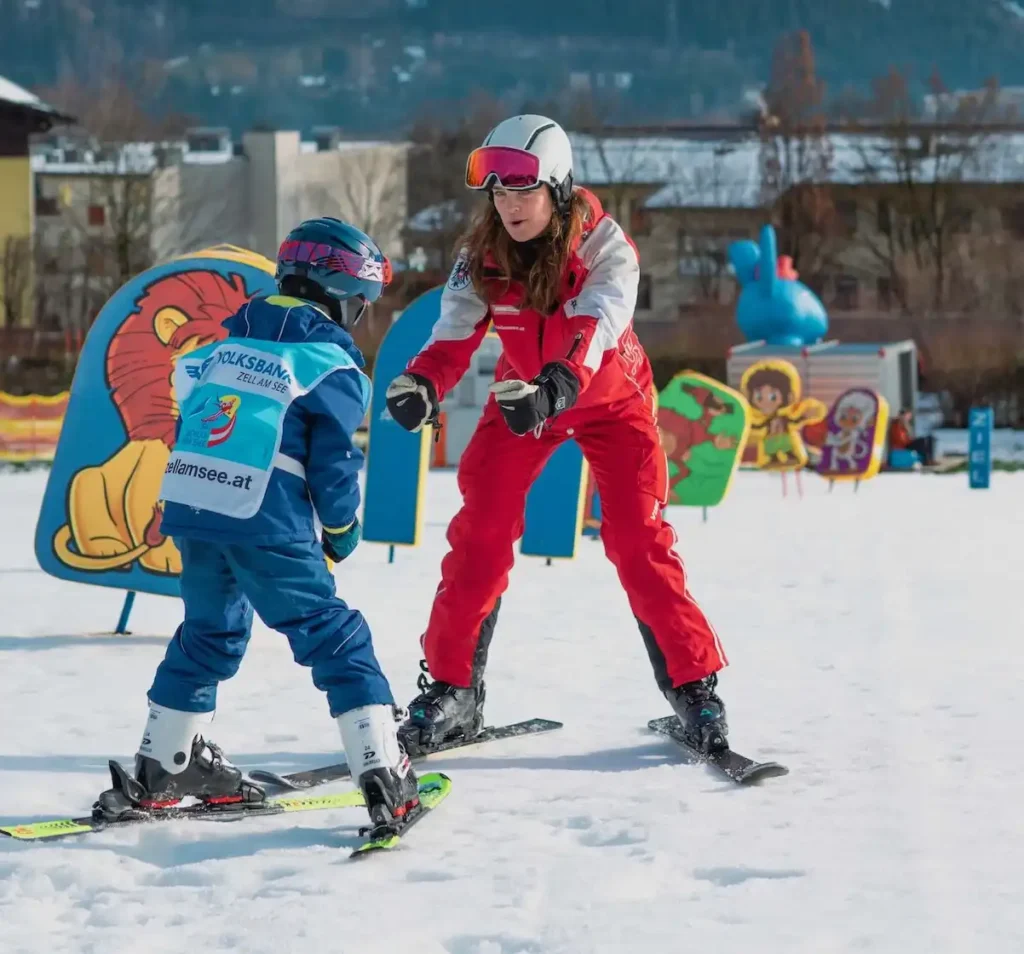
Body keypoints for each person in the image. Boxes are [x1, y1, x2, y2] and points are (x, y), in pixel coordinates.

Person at [384, 114, 730, 756]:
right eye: (499, 192)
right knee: (481, 529)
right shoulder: (479, 258)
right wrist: (422, 384)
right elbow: (453, 333)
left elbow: (597, 327)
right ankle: (453, 689)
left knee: (636, 539)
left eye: (524, 190)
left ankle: (695, 687)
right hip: (524, 400)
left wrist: (557, 384)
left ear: (559, 189)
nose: (509, 205)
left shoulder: (606, 247)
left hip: (608, 399)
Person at [96, 217, 419, 832]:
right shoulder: (328, 364)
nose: (361, 317)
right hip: (266, 518)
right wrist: (342, 528)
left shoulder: (217, 349)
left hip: (193, 508)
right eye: (362, 304)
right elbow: (334, 465)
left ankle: (166, 764)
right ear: (338, 296)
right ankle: (384, 769)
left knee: (209, 634)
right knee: (332, 633)